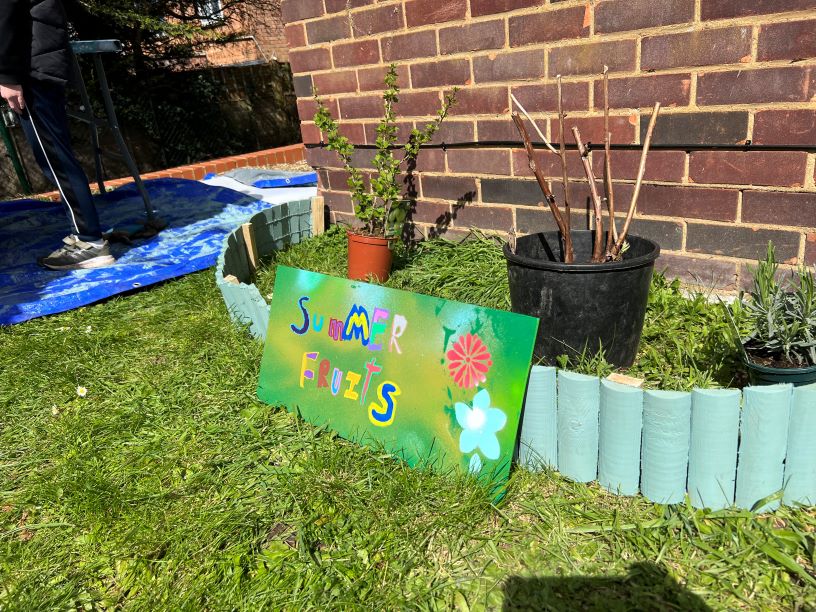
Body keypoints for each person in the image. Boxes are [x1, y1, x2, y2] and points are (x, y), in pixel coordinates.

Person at [0, 0, 114, 270]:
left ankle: (91, 242)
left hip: (31, 70)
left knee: (55, 159)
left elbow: (5, 9)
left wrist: (6, 75)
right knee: (57, 157)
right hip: (39, 64)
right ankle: (87, 237)